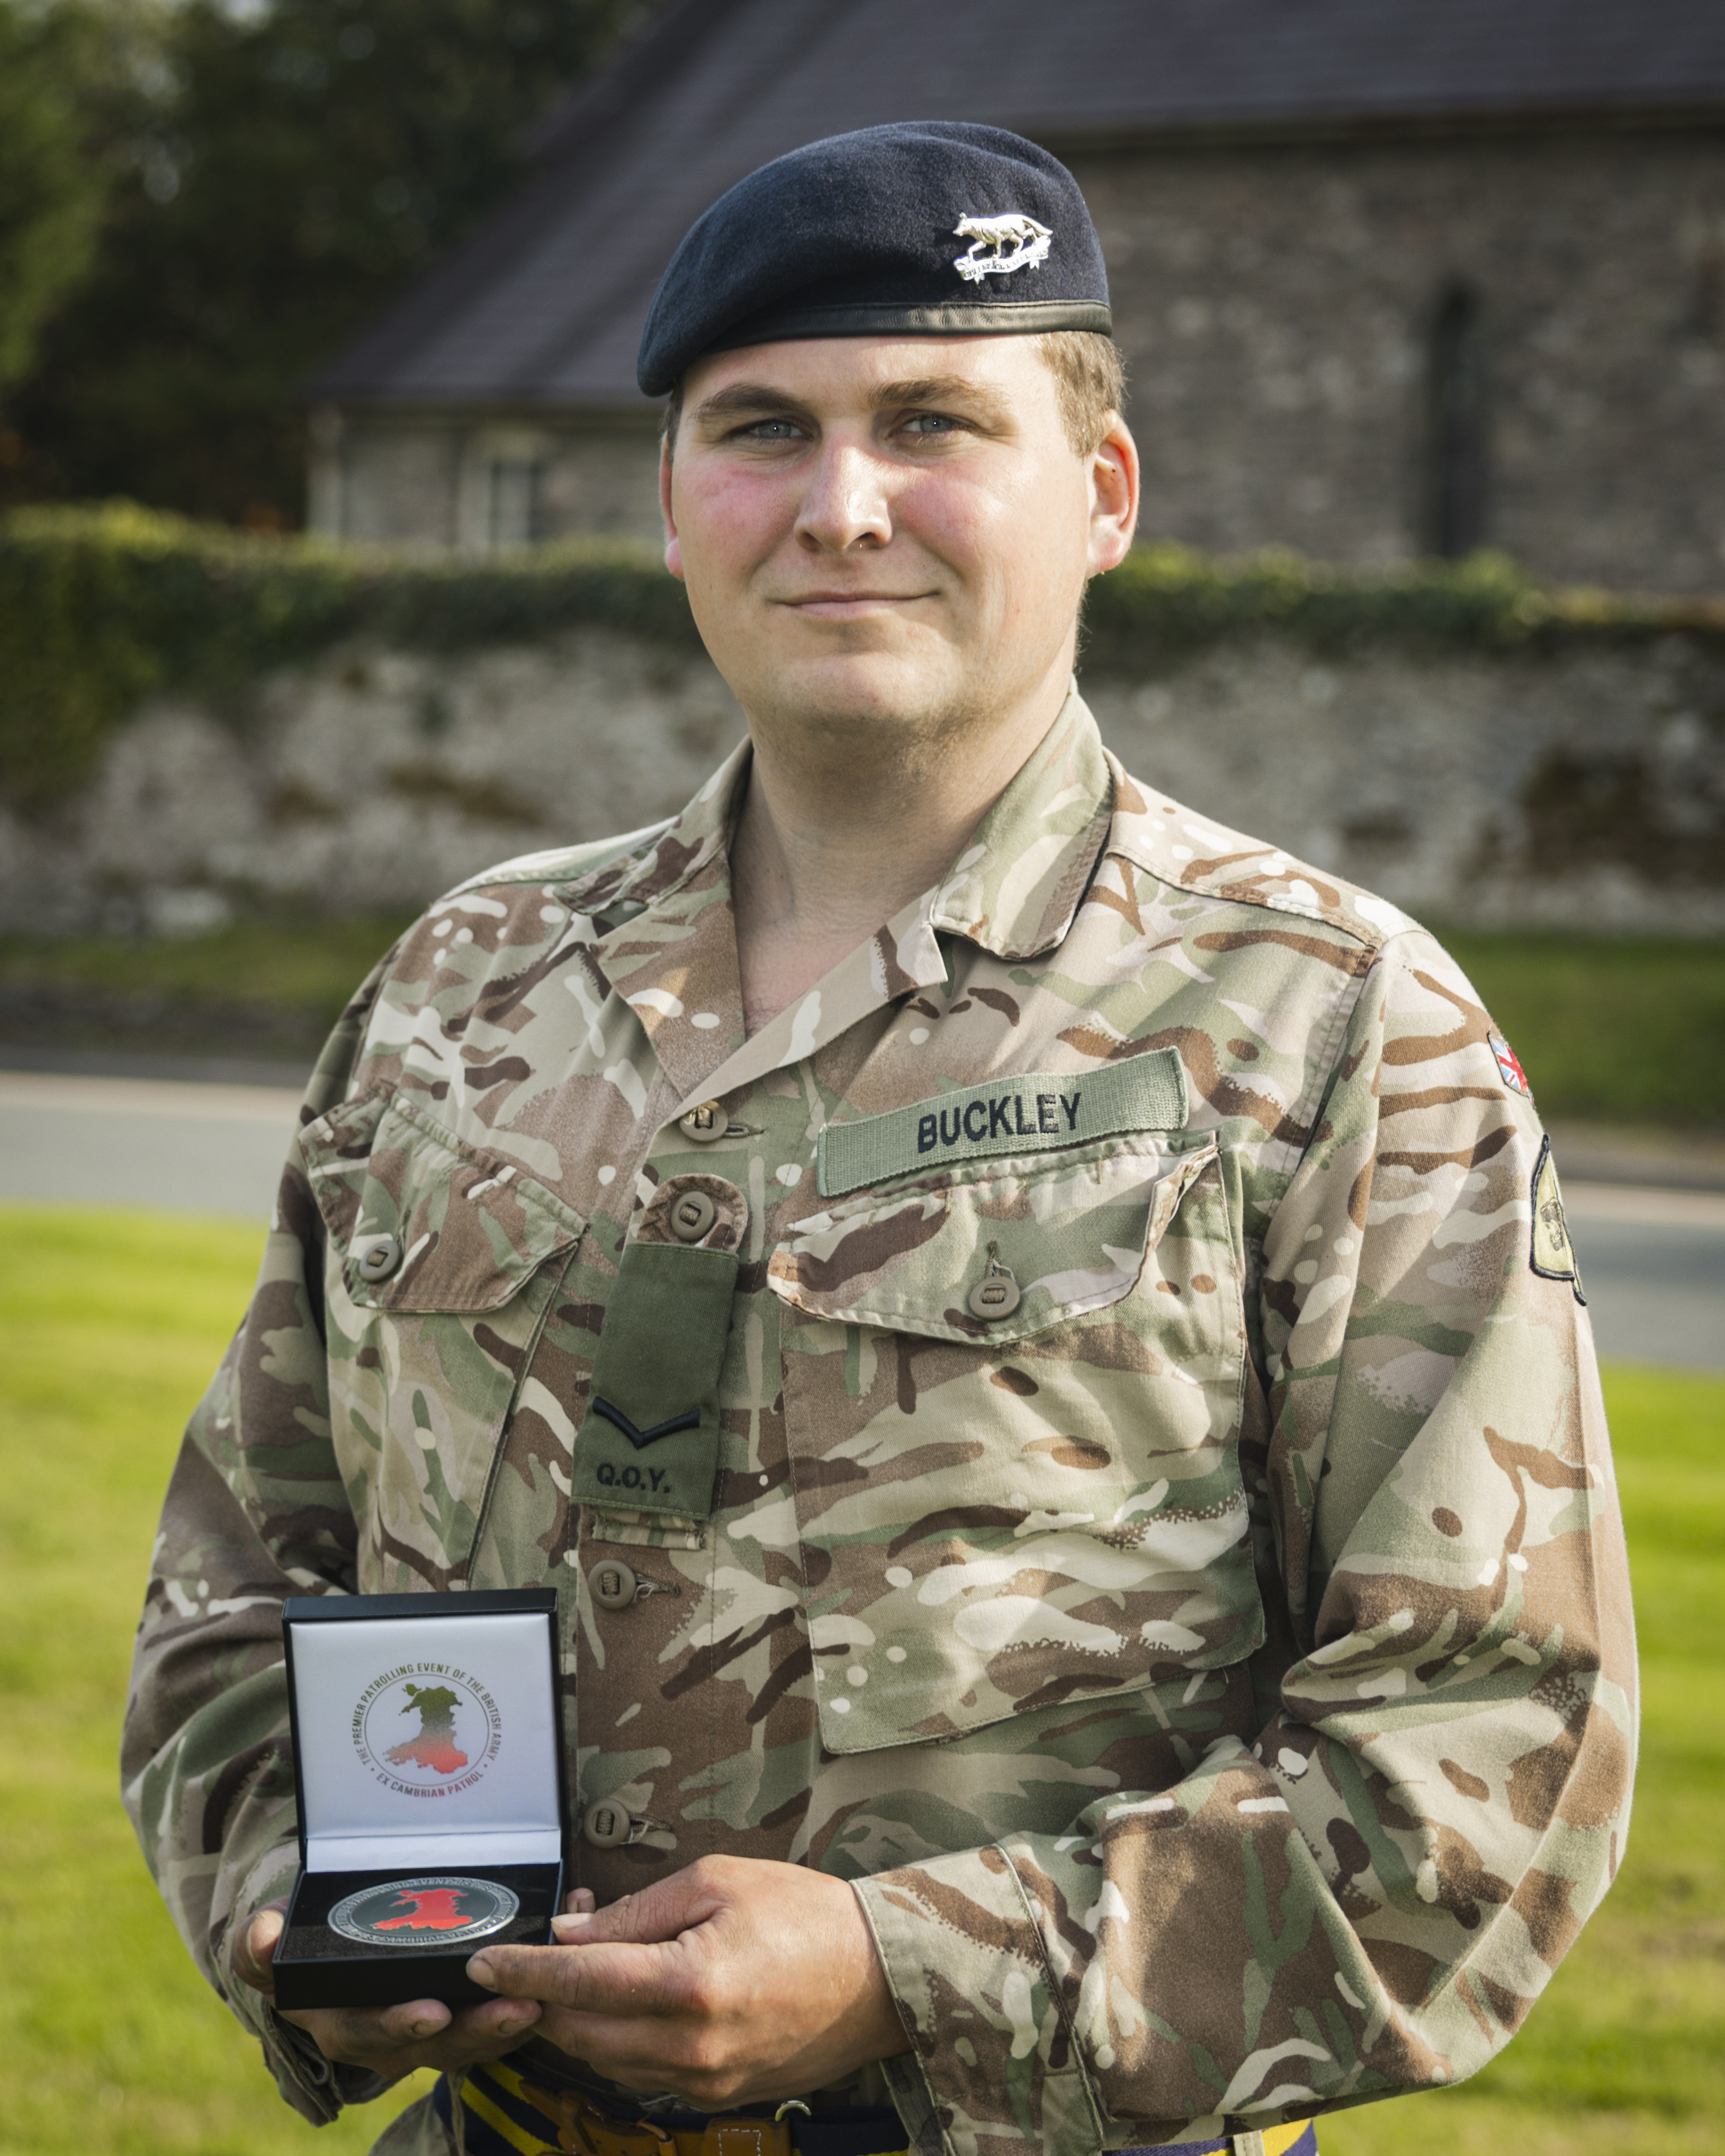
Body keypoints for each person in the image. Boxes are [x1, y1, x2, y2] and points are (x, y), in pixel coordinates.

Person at [123, 122, 1635, 2156]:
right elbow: (240, 1588)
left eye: (930, 420)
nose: (841, 507)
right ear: (672, 502)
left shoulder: (1331, 1023)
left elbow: (1488, 1751)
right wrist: (300, 1900)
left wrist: (901, 1977)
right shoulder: (460, 992)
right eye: (760, 429)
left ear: (1097, 493)